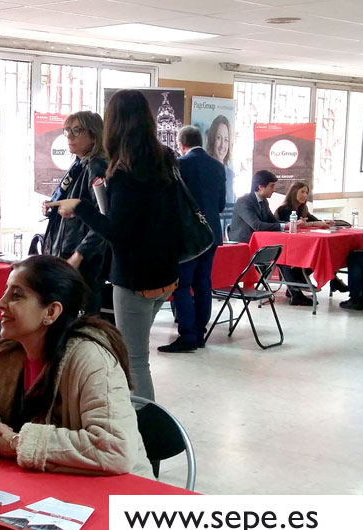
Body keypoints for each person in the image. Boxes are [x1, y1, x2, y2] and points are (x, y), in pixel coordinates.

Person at [0, 255, 152, 478]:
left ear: (51, 312)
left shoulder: (91, 360)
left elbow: (115, 449)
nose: (0, 303)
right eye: (5, 291)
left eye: (16, 295)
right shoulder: (6, 356)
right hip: (48, 489)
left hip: (117, 497)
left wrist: (18, 442)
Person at [61, 89, 182, 402]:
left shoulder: (124, 171)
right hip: (166, 271)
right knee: (136, 355)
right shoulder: (164, 160)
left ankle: (143, 433)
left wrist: (80, 207)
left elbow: (118, 232)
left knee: (135, 360)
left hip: (136, 277)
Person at [158, 126, 225, 353]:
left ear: (181, 144)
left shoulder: (179, 165)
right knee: (203, 284)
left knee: (183, 286)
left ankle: (187, 336)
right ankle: (199, 334)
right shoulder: (218, 166)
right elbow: (221, 205)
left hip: (187, 236)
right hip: (212, 234)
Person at [41, 110, 109, 314]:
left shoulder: (96, 166)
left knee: (81, 315)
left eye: (76, 131)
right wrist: (53, 206)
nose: (69, 136)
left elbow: (102, 218)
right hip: (66, 249)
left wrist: (79, 255)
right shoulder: (80, 164)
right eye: (67, 130)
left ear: (94, 135)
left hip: (81, 258)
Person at [231, 170, 319, 306]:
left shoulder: (264, 202)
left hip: (261, 242)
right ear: (260, 186)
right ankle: (295, 290)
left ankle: (295, 289)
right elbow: (257, 225)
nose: (274, 189)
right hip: (244, 244)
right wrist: (286, 226)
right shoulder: (244, 201)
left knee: (283, 251)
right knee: (281, 253)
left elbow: (273, 221)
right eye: (272, 186)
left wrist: (289, 225)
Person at [273, 181, 350, 297]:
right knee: (318, 254)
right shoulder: (284, 209)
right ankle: (331, 280)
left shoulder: (303, 209)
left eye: (307, 192)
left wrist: (325, 223)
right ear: (294, 192)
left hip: (302, 246)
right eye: (302, 192)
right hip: (289, 249)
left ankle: (333, 279)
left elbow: (316, 221)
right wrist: (315, 224)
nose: (305, 195)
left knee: (327, 252)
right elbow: (293, 225)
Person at [206, 114, 236, 232]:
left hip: (226, 233)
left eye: (226, 139)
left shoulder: (229, 174)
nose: (222, 145)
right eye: (218, 138)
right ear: (212, 139)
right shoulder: (205, 171)